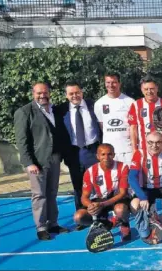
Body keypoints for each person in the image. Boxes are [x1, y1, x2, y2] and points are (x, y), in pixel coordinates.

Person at [14, 82, 70, 240]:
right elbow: (22, 141)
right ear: (33, 93)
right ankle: (41, 227)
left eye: (45, 92)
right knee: (39, 194)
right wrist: (28, 163)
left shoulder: (54, 109)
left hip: (55, 158)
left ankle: (53, 223)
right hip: (37, 161)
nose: (42, 95)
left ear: (49, 93)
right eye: (39, 93)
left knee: (52, 193)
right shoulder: (24, 112)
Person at [59, 81, 102, 220]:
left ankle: (101, 215)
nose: (74, 95)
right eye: (71, 93)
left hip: (93, 151)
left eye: (77, 92)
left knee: (98, 184)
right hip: (74, 153)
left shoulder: (93, 105)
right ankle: (83, 216)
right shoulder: (61, 110)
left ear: (82, 92)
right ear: (66, 95)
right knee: (78, 186)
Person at [73, 144, 131, 242]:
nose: (106, 157)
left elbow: (122, 193)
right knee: (78, 217)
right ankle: (104, 224)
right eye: (103, 154)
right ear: (97, 156)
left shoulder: (123, 167)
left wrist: (102, 204)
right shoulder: (90, 171)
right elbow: (84, 197)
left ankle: (124, 224)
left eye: (109, 154)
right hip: (99, 199)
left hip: (117, 198)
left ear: (113, 154)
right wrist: (91, 206)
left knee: (120, 210)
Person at [94, 72, 135, 164]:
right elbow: (102, 127)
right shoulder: (99, 104)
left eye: (114, 82)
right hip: (108, 152)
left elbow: (134, 127)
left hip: (128, 151)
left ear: (119, 83)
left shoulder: (130, 102)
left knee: (129, 177)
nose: (111, 85)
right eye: (108, 82)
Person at [127, 76, 162, 155]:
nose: (149, 91)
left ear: (157, 88)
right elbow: (133, 129)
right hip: (143, 149)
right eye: (146, 89)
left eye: (152, 88)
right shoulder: (135, 105)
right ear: (142, 90)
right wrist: (134, 149)